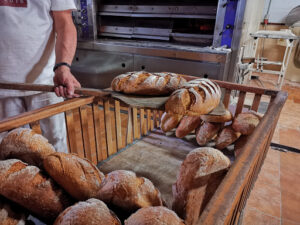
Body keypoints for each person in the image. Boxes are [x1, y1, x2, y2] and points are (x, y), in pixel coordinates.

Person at [0, 0, 81, 152]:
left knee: (55, 149)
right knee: (10, 153)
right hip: (2, 87)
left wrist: (62, 67)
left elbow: (64, 24)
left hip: (46, 83)